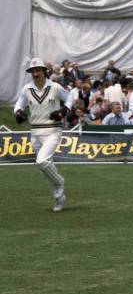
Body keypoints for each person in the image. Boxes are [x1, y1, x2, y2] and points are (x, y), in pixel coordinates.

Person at [13, 58, 73, 212]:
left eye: (38, 70)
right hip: (35, 131)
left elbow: (70, 97)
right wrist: (18, 112)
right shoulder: (27, 89)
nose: (35, 73)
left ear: (44, 71)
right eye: (33, 71)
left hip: (52, 130)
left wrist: (63, 111)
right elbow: (19, 103)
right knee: (44, 169)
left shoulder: (54, 87)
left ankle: (60, 181)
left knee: (41, 161)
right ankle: (59, 198)